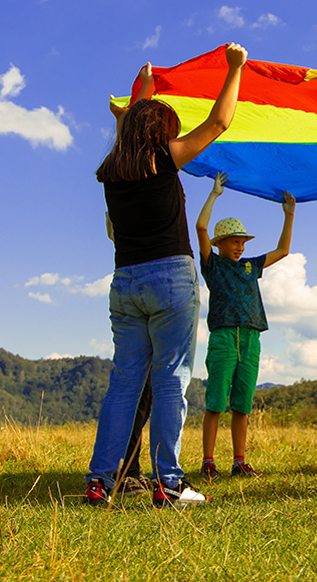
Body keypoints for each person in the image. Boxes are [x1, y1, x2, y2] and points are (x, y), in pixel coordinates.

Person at [84, 43, 247, 508]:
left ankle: (100, 482)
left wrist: (144, 91)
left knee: (124, 382)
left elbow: (127, 132)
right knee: (171, 379)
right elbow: (219, 122)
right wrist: (234, 69)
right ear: (160, 133)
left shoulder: (112, 170)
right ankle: (169, 484)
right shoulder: (164, 159)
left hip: (125, 284)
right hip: (170, 279)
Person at [196, 172, 295, 481]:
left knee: (242, 404)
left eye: (242, 242)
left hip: (252, 337)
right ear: (220, 244)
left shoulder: (251, 266)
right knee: (215, 402)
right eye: (234, 242)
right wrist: (214, 195)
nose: (239, 247)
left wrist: (288, 215)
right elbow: (200, 227)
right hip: (224, 337)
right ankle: (208, 461)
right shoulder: (212, 265)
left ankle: (239, 461)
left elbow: (283, 251)